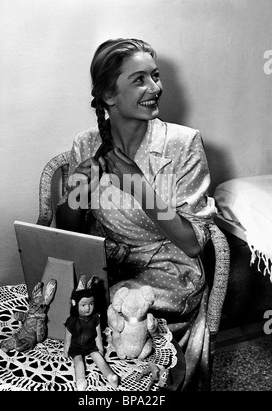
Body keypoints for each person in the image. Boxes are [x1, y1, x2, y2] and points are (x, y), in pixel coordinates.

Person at [57, 38, 216, 390]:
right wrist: (76, 191)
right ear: (109, 96)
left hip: (169, 267)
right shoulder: (86, 143)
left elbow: (193, 243)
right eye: (140, 79)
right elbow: (68, 227)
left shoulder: (183, 143)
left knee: (118, 322)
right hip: (108, 262)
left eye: (155, 76)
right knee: (65, 316)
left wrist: (137, 184)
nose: (156, 88)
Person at [63, 275, 119, 391]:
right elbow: (68, 337)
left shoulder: (95, 318)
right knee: (78, 363)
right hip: (76, 347)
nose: (88, 308)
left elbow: (98, 335)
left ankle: (110, 376)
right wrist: (66, 350)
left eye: (91, 304)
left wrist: (100, 347)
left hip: (90, 345)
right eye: (83, 305)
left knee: (99, 359)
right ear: (75, 304)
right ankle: (80, 381)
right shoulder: (72, 320)